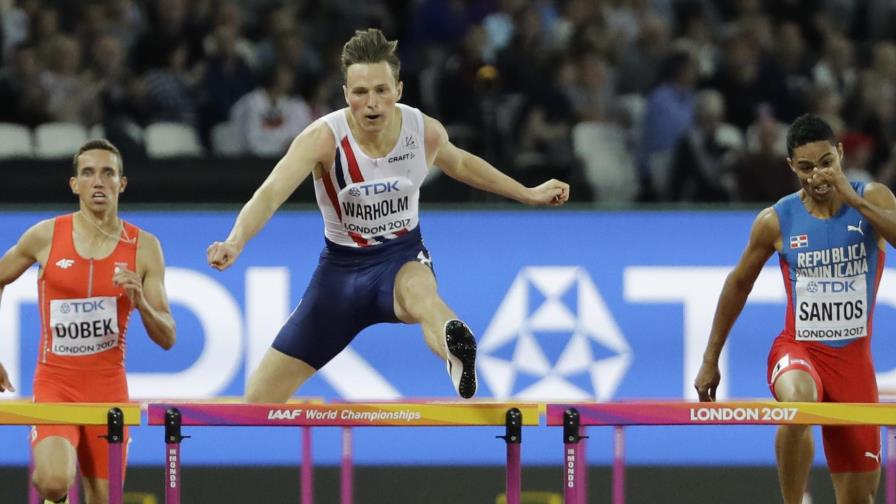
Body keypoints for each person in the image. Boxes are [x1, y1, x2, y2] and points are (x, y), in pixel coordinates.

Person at [207, 28, 569, 402]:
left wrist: (527, 193)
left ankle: (455, 347)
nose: (372, 103)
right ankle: (445, 341)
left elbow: (462, 163)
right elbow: (269, 195)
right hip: (339, 277)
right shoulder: (322, 139)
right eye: (360, 93)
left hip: (400, 258)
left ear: (398, 89)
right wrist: (236, 241)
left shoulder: (422, 131)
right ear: (346, 94)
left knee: (423, 297)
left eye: (381, 91)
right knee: (258, 401)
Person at [694, 114, 896, 503]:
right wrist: (710, 358)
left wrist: (851, 198)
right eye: (805, 167)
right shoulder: (776, 220)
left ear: (840, 154)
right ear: (792, 167)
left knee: (859, 498)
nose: (817, 175)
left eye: (826, 162)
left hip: (854, 363)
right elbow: (738, 284)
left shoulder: (873, 198)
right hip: (799, 349)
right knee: (799, 402)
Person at [0, 139, 176, 504]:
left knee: (105, 499)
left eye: (108, 173)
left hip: (108, 389)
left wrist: (140, 301)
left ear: (121, 184)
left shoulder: (144, 247)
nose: (98, 182)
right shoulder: (45, 236)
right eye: (88, 173)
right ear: (74, 184)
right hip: (55, 382)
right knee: (52, 480)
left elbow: (168, 336)